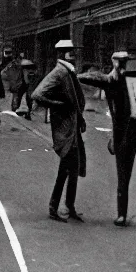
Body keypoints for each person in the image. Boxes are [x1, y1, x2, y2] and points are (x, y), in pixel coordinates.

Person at [78, 51, 136, 227]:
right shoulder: (114, 82)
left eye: (125, 62)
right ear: (114, 63)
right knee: (123, 175)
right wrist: (74, 75)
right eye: (119, 62)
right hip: (125, 134)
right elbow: (94, 78)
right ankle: (122, 214)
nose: (122, 65)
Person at [32, 39, 86, 223]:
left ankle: (66, 207)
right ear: (63, 54)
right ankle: (55, 207)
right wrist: (59, 105)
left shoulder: (67, 72)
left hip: (72, 129)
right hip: (65, 131)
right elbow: (37, 94)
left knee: (72, 169)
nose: (74, 55)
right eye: (71, 52)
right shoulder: (59, 72)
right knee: (66, 170)